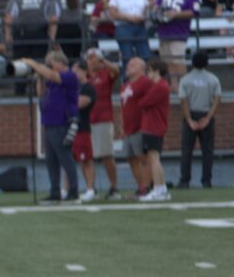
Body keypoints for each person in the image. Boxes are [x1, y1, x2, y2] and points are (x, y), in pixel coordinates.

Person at [32, 49, 82, 202]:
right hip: (49, 121)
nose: (49, 66)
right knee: (51, 159)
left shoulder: (69, 76)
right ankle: (55, 191)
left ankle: (73, 191)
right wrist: (40, 76)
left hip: (62, 121)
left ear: (60, 62)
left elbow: (54, 76)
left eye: (51, 63)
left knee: (65, 157)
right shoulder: (52, 79)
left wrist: (34, 64)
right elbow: (40, 92)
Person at [120, 55, 171, 202]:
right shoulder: (159, 86)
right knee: (153, 158)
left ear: (155, 71)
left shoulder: (160, 86)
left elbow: (143, 102)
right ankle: (160, 188)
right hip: (150, 126)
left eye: (149, 71)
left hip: (152, 126)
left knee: (152, 158)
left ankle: (157, 188)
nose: (148, 74)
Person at [172, 55, 222, 191]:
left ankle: (184, 180)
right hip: (206, 114)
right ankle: (206, 181)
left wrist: (189, 120)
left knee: (186, 151)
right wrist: (208, 118)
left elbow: (183, 101)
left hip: (191, 113)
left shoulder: (186, 79)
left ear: (192, 63)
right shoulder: (213, 79)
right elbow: (217, 99)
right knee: (208, 151)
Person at [80, 47, 121, 202]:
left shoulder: (105, 73)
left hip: (103, 118)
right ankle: (91, 187)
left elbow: (116, 72)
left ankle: (114, 187)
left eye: (93, 58)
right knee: (85, 157)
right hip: (86, 120)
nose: (91, 61)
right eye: (89, 58)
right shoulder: (84, 76)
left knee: (106, 155)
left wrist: (103, 61)